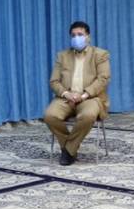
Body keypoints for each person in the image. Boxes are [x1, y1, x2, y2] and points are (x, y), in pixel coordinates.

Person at [43, 21, 111, 166]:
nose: (76, 38)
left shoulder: (100, 54)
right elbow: (54, 81)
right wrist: (66, 94)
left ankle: (68, 151)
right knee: (50, 115)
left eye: (80, 34)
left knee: (88, 115)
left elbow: (103, 79)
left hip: (90, 98)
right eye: (73, 35)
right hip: (66, 98)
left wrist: (84, 95)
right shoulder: (62, 56)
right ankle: (70, 148)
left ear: (88, 37)